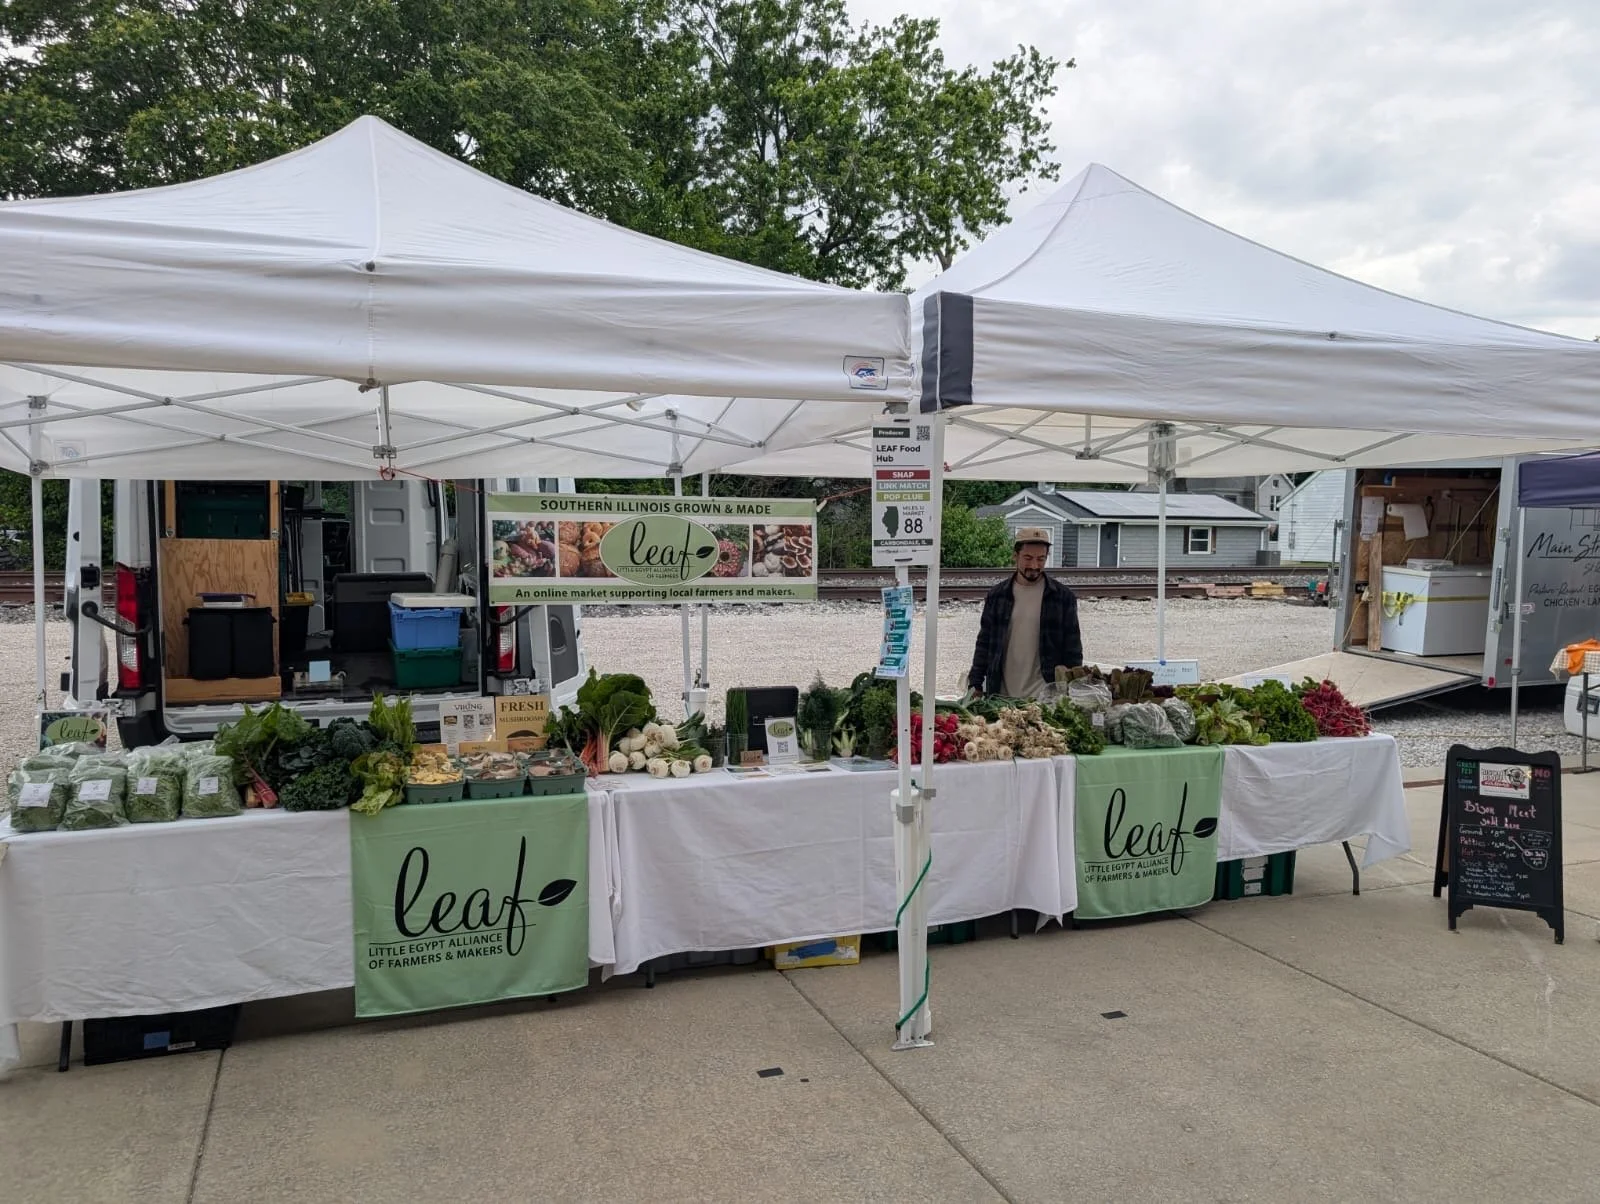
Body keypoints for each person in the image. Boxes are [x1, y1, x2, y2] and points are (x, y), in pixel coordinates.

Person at [966, 528, 1083, 698]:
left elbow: (1073, 649)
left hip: (1045, 695)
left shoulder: (1063, 597)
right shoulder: (997, 595)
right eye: (1028, 558)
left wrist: (1073, 687)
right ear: (1015, 556)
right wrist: (975, 683)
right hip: (1001, 694)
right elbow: (984, 643)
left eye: (1040, 559)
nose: (1034, 566)